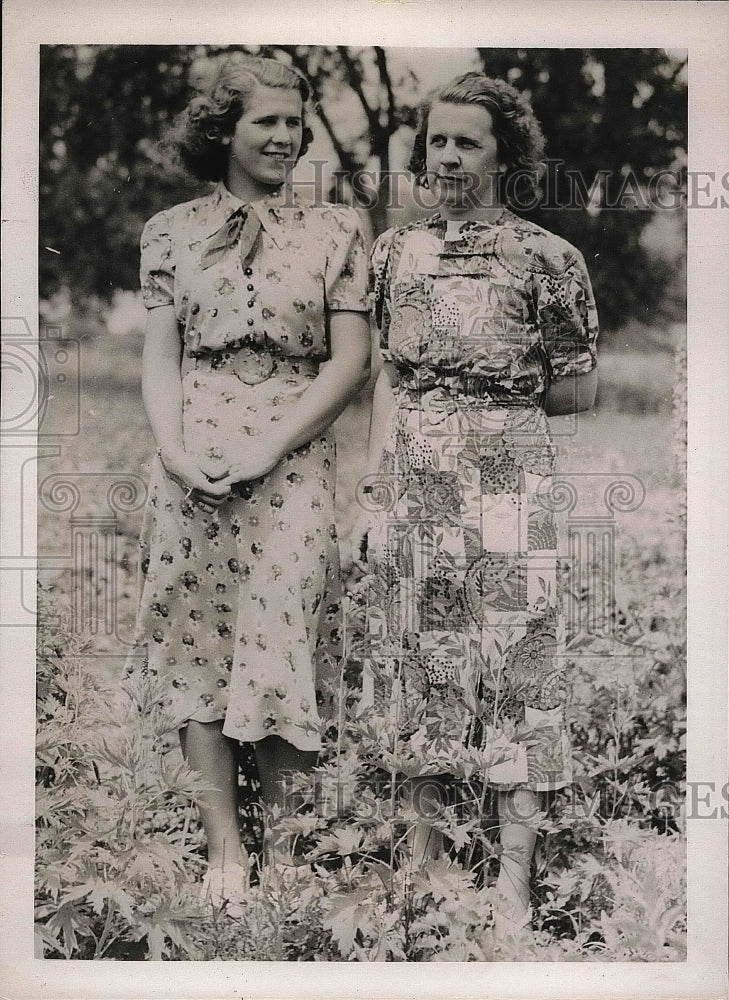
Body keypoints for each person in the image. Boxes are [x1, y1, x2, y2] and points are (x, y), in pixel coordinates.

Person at [357, 71, 598, 946]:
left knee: (518, 662)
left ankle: (512, 885)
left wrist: (488, 411)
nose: (447, 156)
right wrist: (380, 485)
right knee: (421, 657)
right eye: (437, 141)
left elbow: (577, 389)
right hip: (414, 478)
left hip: (508, 480)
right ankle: (424, 865)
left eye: (468, 141)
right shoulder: (394, 254)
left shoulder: (546, 258)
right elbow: (386, 375)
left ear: (505, 155)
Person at [126, 53, 370, 905]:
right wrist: (174, 449)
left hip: (292, 452)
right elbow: (161, 359)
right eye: (266, 120)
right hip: (194, 457)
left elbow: (351, 365)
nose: (285, 136)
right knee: (198, 639)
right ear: (223, 129)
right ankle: (225, 851)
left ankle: (289, 854)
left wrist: (270, 446)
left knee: (282, 631)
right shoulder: (169, 231)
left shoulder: (336, 230)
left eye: (295, 124)